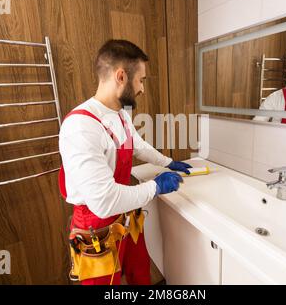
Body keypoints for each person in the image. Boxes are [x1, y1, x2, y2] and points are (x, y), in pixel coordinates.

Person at [58, 39, 191, 285]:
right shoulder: (81, 126)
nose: (142, 88)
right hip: (95, 229)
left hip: (126, 217)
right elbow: (104, 201)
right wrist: (156, 186)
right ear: (121, 76)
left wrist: (168, 162)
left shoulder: (119, 114)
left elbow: (137, 145)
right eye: (141, 80)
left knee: (141, 272)